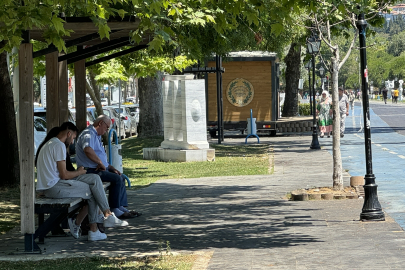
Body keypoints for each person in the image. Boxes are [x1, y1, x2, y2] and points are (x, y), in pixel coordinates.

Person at [36, 122, 129, 241]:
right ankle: (93, 228)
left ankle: (106, 214)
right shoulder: (59, 146)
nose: (72, 142)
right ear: (69, 133)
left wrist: (80, 172)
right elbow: (64, 175)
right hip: (55, 187)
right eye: (73, 138)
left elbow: (61, 174)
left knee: (95, 179)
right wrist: (79, 172)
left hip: (56, 183)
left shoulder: (50, 143)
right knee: (93, 191)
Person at [75, 115, 141, 219]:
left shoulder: (96, 135)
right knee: (116, 179)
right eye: (107, 127)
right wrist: (100, 163)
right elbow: (87, 150)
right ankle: (115, 209)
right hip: (90, 171)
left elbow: (103, 159)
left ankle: (120, 206)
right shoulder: (88, 134)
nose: (107, 130)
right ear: (100, 123)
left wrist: (111, 167)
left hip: (99, 168)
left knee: (121, 176)